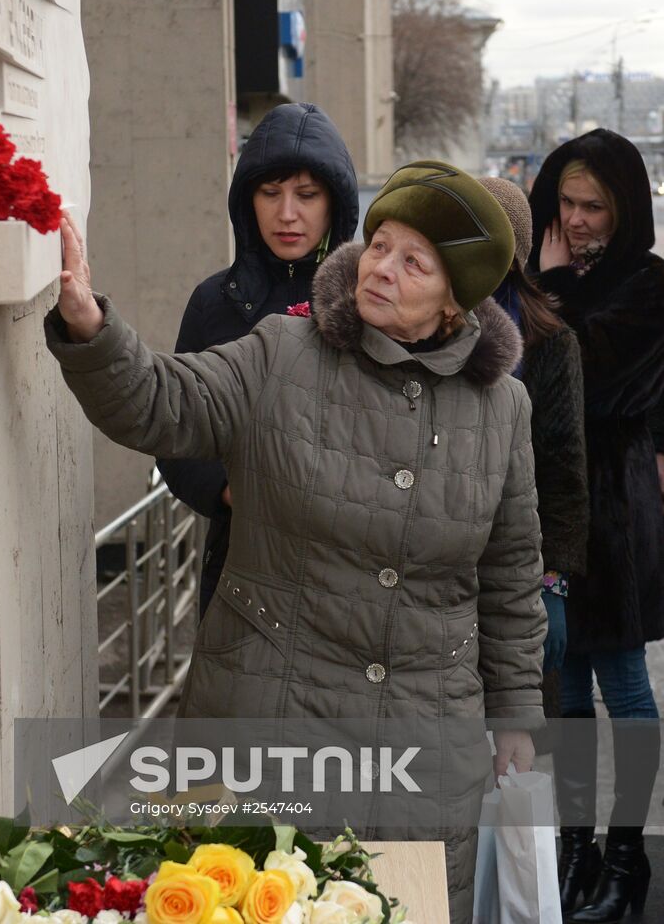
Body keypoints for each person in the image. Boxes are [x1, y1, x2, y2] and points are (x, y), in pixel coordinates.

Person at [45, 161, 548, 924]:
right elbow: (160, 402)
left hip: (424, 733)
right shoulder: (282, 352)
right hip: (270, 710)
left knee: (402, 907)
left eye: (414, 261)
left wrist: (514, 715)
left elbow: (509, 575)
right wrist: (90, 326)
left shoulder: (502, 407)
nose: (381, 268)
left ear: (455, 300)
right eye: (380, 244)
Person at [526, 129, 664, 922]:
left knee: (622, 684)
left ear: (623, 211)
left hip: (613, 512)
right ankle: (574, 846)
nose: (577, 221)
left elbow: (591, 385)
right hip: (555, 511)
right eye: (567, 204)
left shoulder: (645, 285)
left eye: (594, 207)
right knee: (563, 685)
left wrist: (551, 292)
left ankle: (625, 856)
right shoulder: (542, 279)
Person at [155, 103, 358, 620]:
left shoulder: (368, 299)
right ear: (248, 200)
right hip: (241, 566)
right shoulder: (214, 302)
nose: (287, 213)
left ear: (336, 203)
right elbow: (174, 430)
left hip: (351, 569)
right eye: (270, 193)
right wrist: (229, 492)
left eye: (307, 195)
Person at [481, 178, 588, 680]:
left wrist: (553, 584)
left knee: (512, 732)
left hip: (519, 569)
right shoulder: (429, 322)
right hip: (440, 569)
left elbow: (563, 470)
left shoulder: (550, 341)